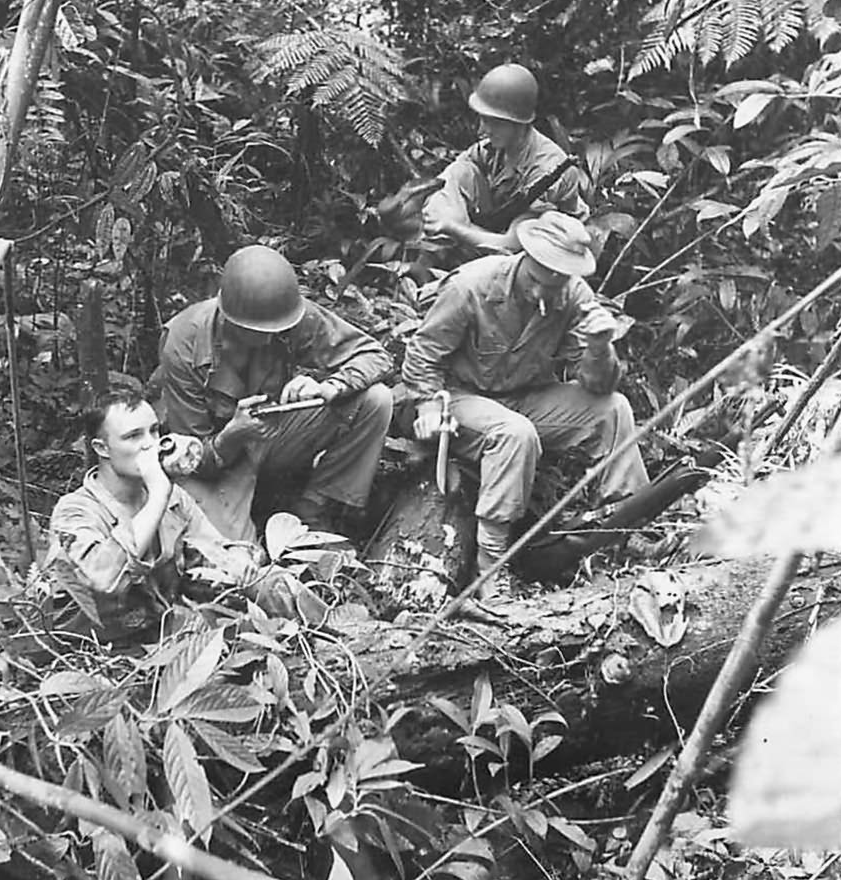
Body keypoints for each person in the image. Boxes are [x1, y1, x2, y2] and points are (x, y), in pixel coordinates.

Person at [402, 211, 649, 581]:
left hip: (522, 397)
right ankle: (491, 570)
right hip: (459, 397)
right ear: (525, 257)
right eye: (536, 279)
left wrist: (600, 349)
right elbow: (423, 354)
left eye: (555, 284)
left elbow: (598, 387)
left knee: (612, 409)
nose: (541, 293)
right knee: (514, 432)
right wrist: (426, 405)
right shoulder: (472, 285)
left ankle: (628, 530)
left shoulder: (573, 295)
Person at [157, 244, 394, 541]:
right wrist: (233, 434)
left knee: (375, 400)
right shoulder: (183, 344)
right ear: (230, 319)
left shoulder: (287, 316)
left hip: (275, 439)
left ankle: (313, 509)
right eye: (259, 330)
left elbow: (375, 356)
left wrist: (328, 387)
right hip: (222, 464)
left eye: (278, 328)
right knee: (226, 558)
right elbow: (192, 460)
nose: (272, 336)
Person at [46, 384, 254, 637]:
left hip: (168, 630)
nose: (150, 445)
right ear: (102, 448)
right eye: (133, 436)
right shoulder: (75, 511)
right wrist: (157, 496)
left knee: (272, 583)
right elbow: (105, 578)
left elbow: (212, 553)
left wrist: (241, 561)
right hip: (102, 651)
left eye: (154, 431)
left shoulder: (173, 498)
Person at [418, 63, 588, 265]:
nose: (483, 130)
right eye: (483, 120)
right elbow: (446, 183)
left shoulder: (546, 171)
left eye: (493, 122)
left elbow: (511, 245)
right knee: (461, 171)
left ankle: (456, 250)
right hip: (498, 224)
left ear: (519, 123)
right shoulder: (493, 147)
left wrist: (453, 227)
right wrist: (439, 212)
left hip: (551, 245)